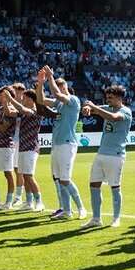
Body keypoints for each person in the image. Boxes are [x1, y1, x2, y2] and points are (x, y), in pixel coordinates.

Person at [35, 66, 86, 220]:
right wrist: (40, 84)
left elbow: (56, 93)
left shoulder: (73, 101)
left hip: (67, 144)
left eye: (61, 85)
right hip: (57, 145)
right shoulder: (59, 103)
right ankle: (67, 210)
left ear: (66, 87)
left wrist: (51, 77)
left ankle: (81, 208)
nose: (59, 88)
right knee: (59, 179)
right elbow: (40, 100)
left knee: (65, 179)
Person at [81, 85, 132, 229]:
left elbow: (114, 118)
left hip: (116, 155)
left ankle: (116, 218)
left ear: (119, 98)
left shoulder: (125, 111)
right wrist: (87, 108)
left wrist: (94, 108)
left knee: (115, 187)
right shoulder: (108, 108)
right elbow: (89, 105)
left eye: (110, 98)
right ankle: (96, 218)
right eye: (107, 97)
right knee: (94, 185)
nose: (107, 100)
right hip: (101, 153)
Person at [10, 86, 45, 212]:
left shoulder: (36, 111)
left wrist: (10, 98)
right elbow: (12, 112)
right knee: (25, 176)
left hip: (31, 148)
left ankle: (39, 202)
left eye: (24, 98)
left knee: (29, 176)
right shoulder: (24, 112)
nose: (22, 100)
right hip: (23, 148)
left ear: (30, 100)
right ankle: (29, 202)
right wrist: (5, 100)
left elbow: (22, 109)